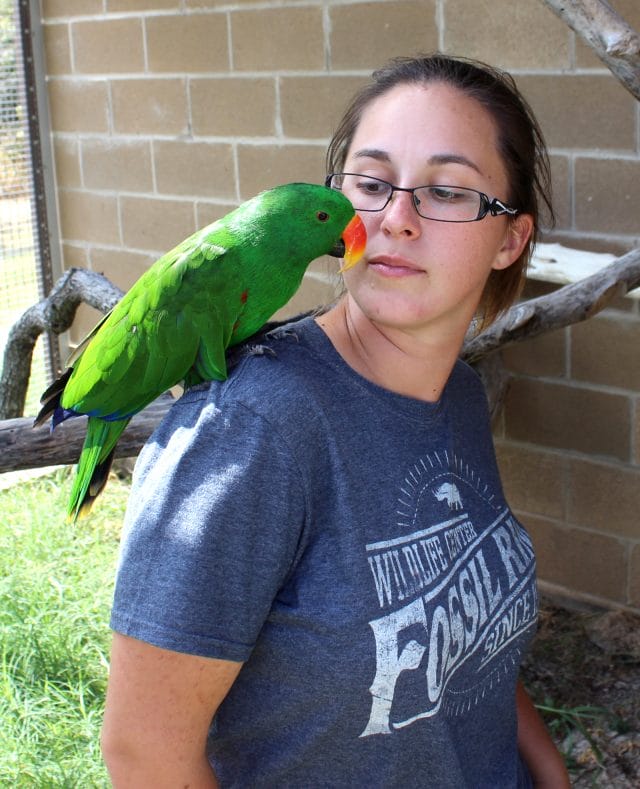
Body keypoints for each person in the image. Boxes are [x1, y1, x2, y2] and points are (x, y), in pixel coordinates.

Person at [101, 54, 570, 788]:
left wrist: (551, 773)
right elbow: (143, 755)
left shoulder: (461, 397)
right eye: (372, 184)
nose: (395, 219)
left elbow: (465, 636)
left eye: (447, 191)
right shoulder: (253, 430)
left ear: (510, 239)